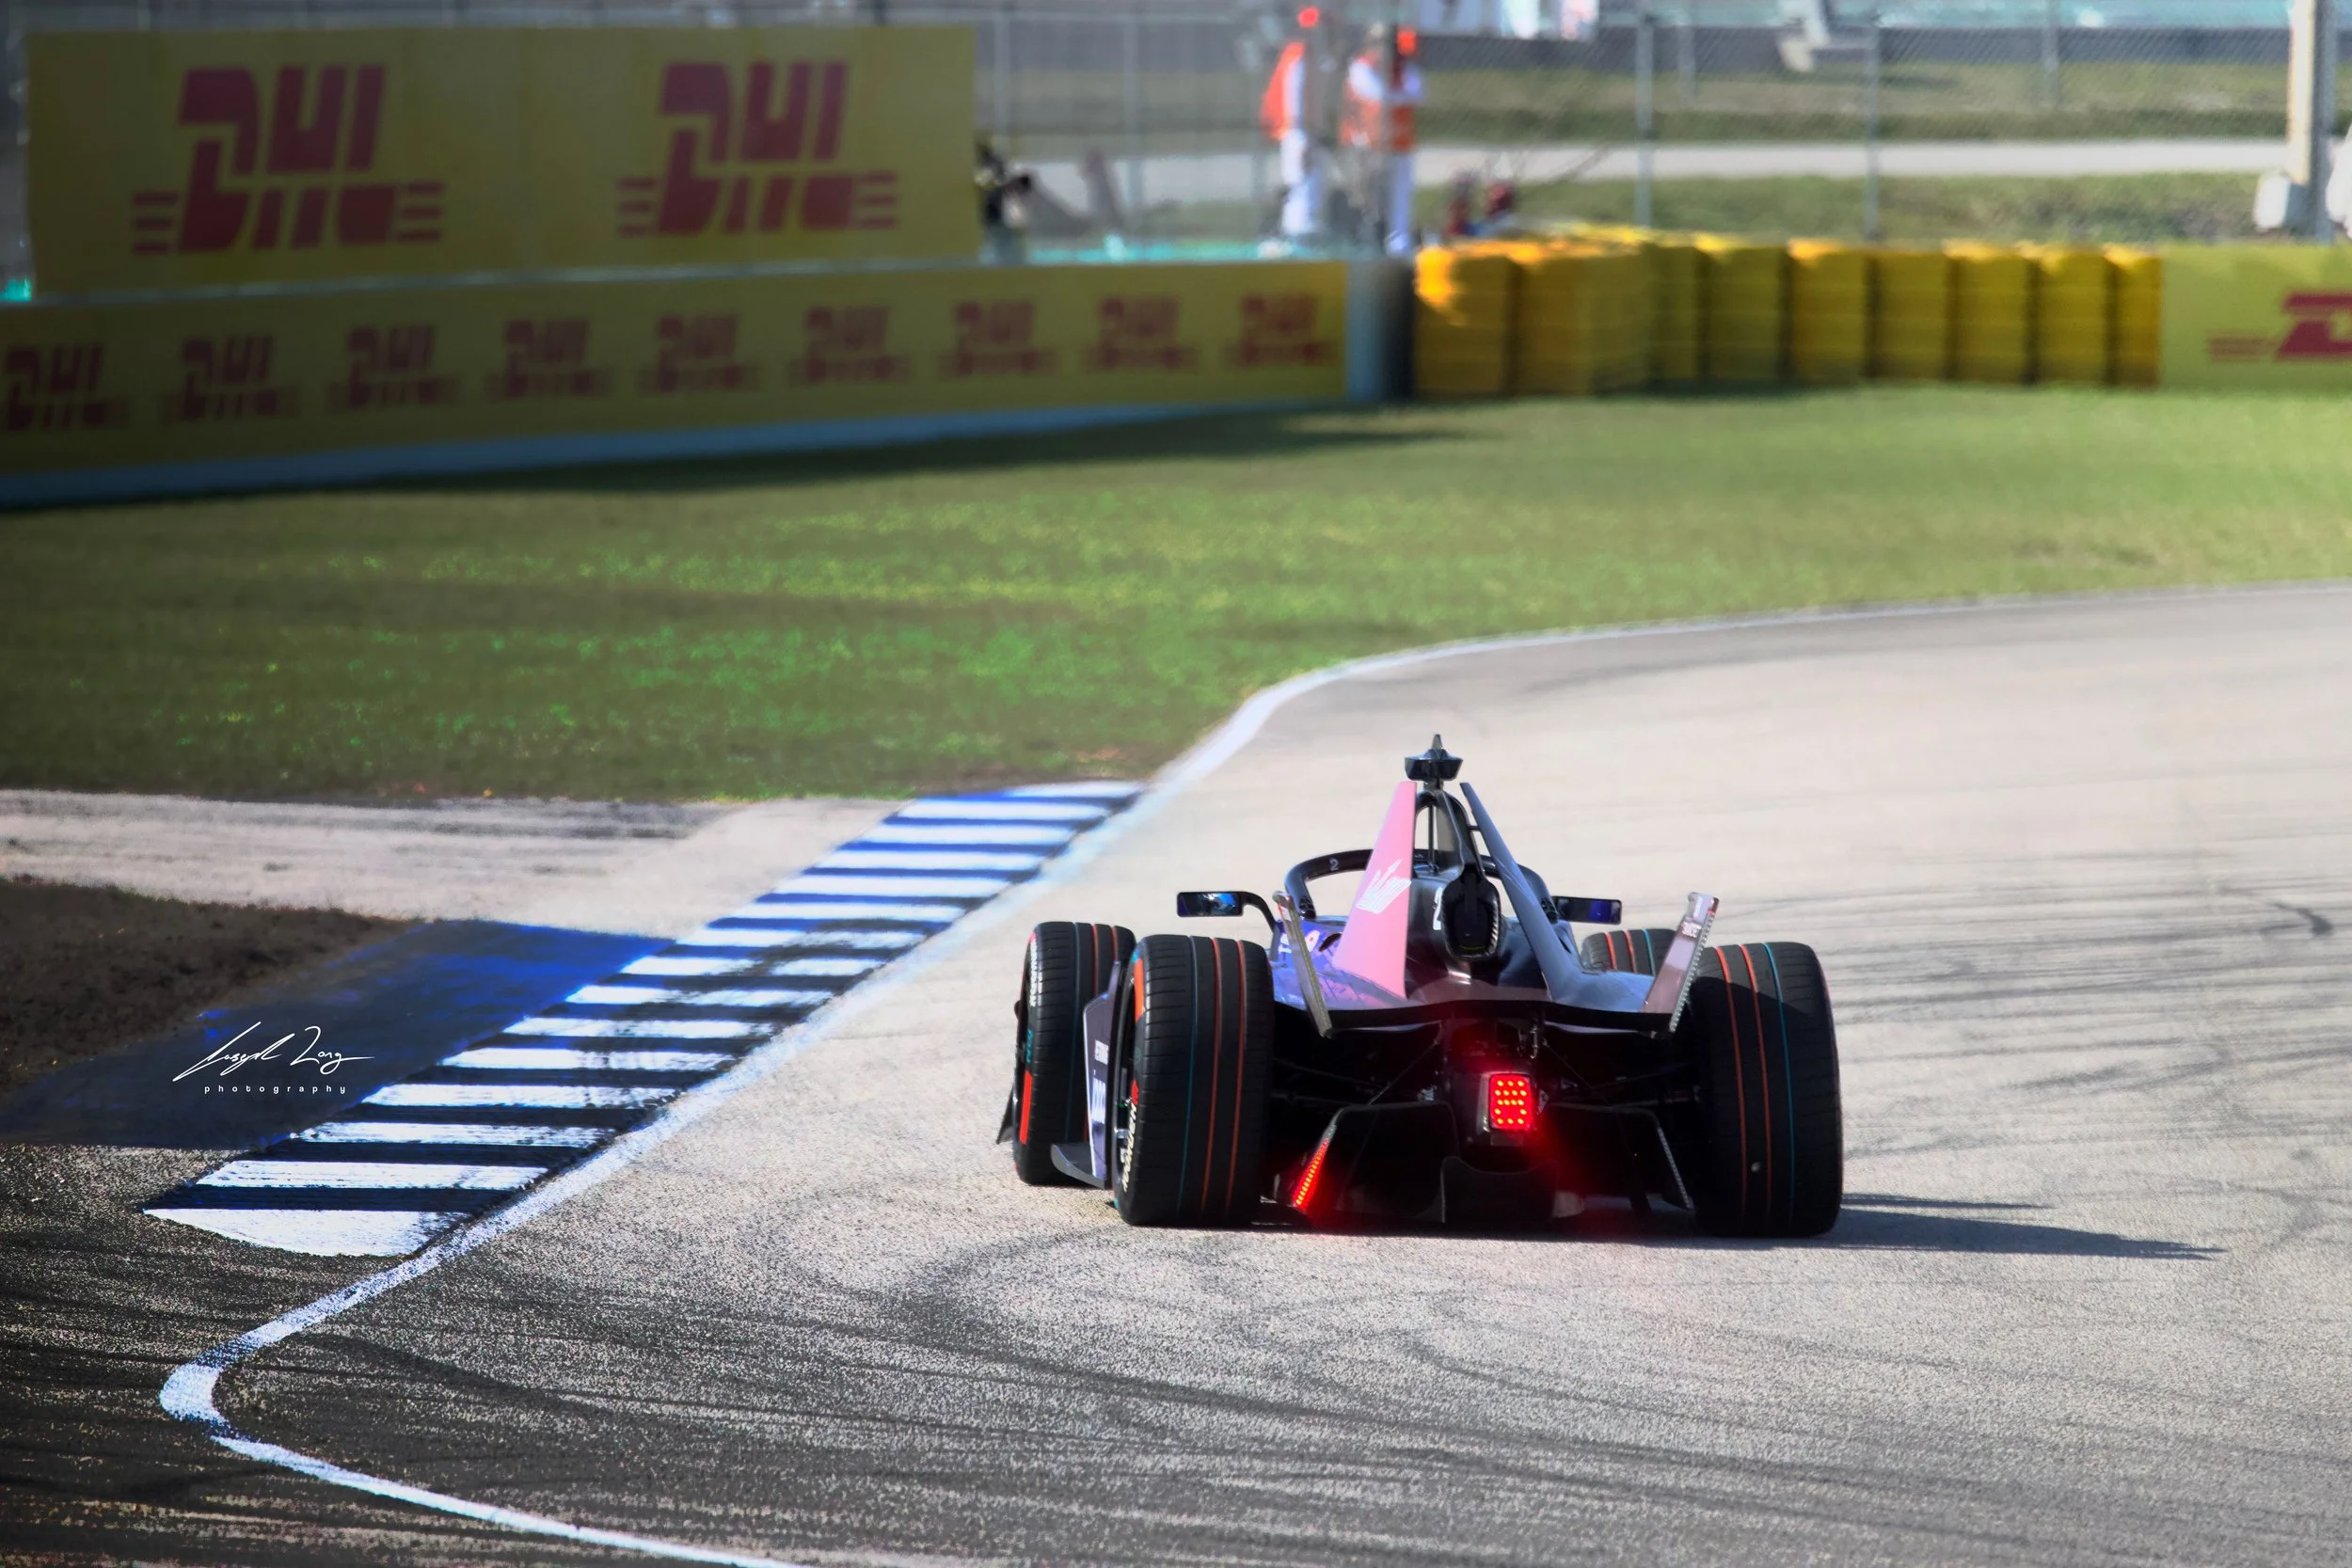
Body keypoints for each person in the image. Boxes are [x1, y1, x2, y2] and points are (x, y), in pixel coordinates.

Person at [1343, 24, 1424, 254]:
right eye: (1378, 42)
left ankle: (1398, 243)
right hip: (1368, 145)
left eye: (1389, 43)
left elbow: (1418, 92)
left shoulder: (1403, 68)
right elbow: (1375, 94)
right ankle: (1367, 241)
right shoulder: (1361, 67)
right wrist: (1398, 97)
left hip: (1400, 142)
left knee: (1400, 196)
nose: (1384, 48)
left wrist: (1394, 96)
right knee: (1368, 199)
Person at [1261, 8, 1331, 242]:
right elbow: (1297, 98)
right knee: (1302, 180)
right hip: (1299, 129)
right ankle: (1298, 232)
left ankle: (1302, 228)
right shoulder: (1300, 56)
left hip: (1301, 128)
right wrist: (1307, 131)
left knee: (1308, 180)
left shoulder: (1304, 54)